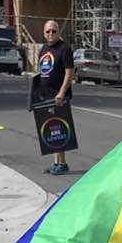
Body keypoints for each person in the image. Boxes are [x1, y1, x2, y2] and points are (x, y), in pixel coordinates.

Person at [36, 20, 75, 175]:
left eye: (54, 31)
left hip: (59, 96)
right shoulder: (44, 49)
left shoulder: (64, 49)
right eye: (48, 31)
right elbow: (41, 71)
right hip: (46, 95)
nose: (51, 34)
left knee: (59, 129)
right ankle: (56, 162)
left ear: (59, 32)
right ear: (44, 33)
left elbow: (69, 72)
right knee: (51, 130)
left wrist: (62, 92)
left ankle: (62, 163)